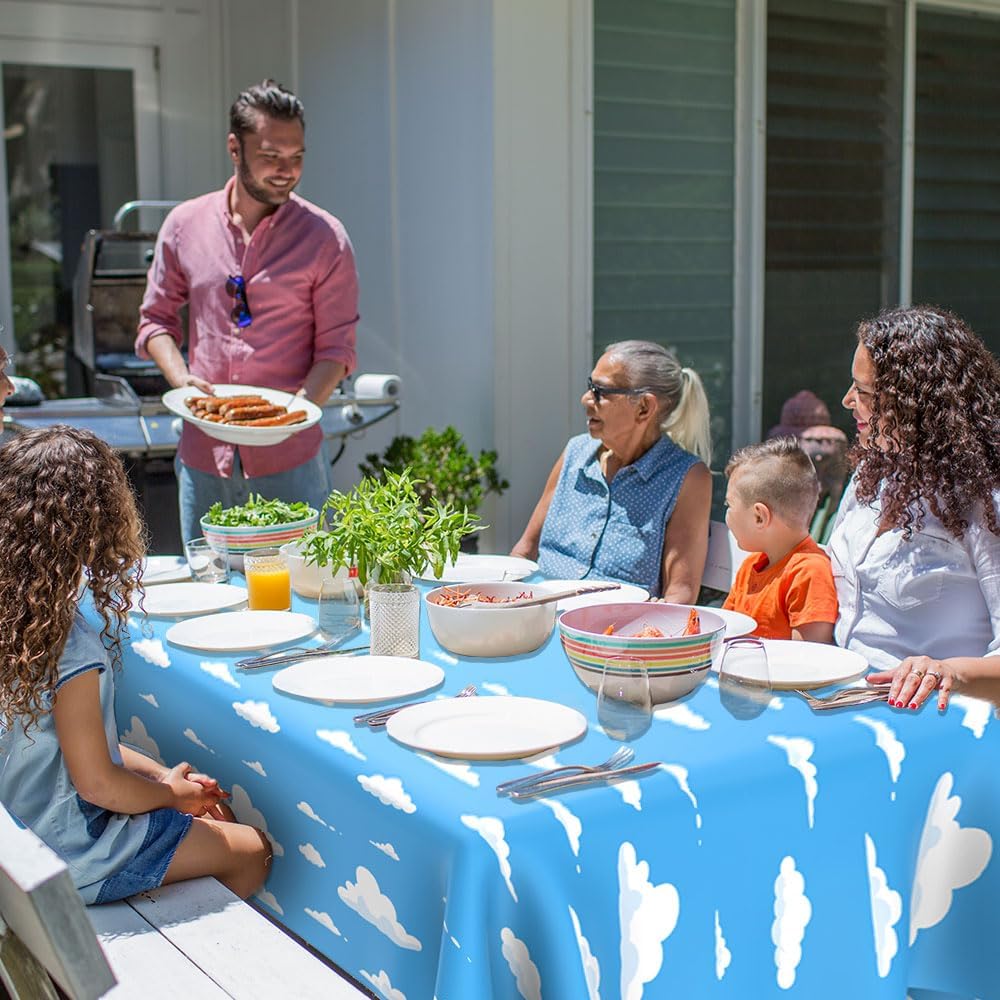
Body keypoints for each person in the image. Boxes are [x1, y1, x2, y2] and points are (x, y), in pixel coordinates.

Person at [0, 427, 269, 903]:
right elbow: (99, 783)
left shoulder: (18, 620)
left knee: (200, 822)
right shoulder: (70, 647)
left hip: (22, 837)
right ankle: (197, 964)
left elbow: (79, 752)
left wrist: (165, 781)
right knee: (252, 849)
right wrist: (171, 798)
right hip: (70, 857)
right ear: (97, 523)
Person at [137, 79, 359, 541]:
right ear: (234, 148)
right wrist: (182, 381)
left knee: (303, 598)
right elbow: (154, 321)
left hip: (292, 462)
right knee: (209, 590)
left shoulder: (326, 238)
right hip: (203, 457)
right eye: (271, 156)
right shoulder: (184, 226)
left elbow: (336, 349)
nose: (286, 170)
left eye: (297, 157)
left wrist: (295, 415)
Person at [829, 305, 1000, 711]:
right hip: (842, 707)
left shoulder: (984, 502)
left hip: (938, 730)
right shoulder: (871, 474)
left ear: (917, 404)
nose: (848, 400)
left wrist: (948, 672)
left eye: (865, 393)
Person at [511, 340, 713, 600]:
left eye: (600, 391)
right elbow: (525, 551)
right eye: (589, 386)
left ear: (644, 408)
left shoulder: (685, 477)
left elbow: (681, 590)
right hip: (539, 611)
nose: (585, 399)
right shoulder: (575, 452)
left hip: (613, 628)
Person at [722, 437, 838, 641]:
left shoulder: (809, 573)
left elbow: (810, 658)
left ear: (759, 517)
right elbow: (724, 630)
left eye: (729, 505)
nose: (727, 514)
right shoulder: (751, 565)